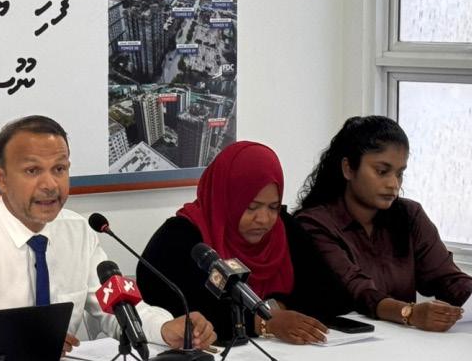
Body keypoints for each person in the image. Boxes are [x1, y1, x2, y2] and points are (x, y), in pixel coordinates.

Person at [0, 115, 216, 354]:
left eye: (59, 169)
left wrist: (164, 328)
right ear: (1, 179)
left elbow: (116, 310)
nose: (50, 184)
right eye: (32, 171)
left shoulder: (79, 231)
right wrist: (18, 345)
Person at [295, 116, 472, 332]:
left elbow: (445, 277)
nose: (393, 184)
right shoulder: (313, 223)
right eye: (382, 171)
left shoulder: (410, 215)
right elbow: (357, 290)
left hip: (407, 346)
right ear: (348, 168)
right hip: (342, 344)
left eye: (400, 173)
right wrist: (409, 313)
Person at [139, 141, 346, 345]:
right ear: (225, 198)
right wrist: (264, 321)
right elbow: (179, 310)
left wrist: (274, 310)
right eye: (251, 207)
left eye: (273, 207)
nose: (264, 219)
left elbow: (330, 295)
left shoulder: (284, 230)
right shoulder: (179, 237)